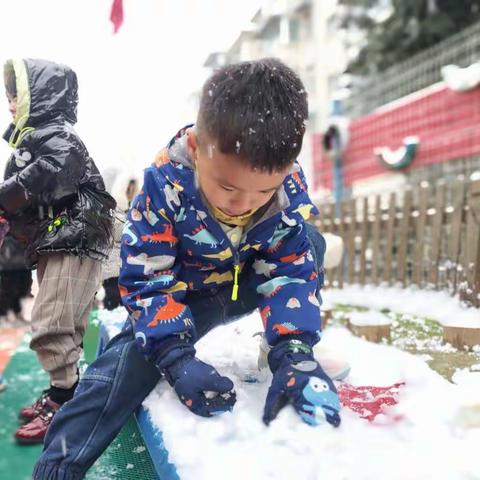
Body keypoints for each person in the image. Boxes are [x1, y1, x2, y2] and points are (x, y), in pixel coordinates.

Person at [34, 58, 341, 479]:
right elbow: (148, 280)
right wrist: (175, 358)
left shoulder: (286, 194)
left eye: (263, 190)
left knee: (310, 242)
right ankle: (56, 469)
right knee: (117, 371)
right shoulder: (163, 188)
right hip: (187, 295)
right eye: (228, 187)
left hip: (248, 281)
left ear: (287, 170)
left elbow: (288, 273)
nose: (244, 204)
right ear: (197, 150)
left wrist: (296, 352)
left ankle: (279, 353)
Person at [0, 58, 115, 444]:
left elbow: (55, 171)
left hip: (75, 236)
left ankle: (64, 402)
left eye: (17, 95)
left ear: (41, 94)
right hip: (59, 238)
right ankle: (61, 391)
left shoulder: (56, 135)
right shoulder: (35, 137)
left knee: (52, 321)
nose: (11, 104)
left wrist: (9, 194)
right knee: (64, 318)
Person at [101, 172, 140, 310]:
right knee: (113, 299)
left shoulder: (135, 210)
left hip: (128, 265)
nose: (129, 192)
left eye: (132, 189)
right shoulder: (114, 209)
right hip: (113, 265)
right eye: (127, 188)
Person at [0, 234, 32, 322]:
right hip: (8, 262)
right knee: (8, 289)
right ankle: (3, 314)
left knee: (23, 288)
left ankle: (17, 312)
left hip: (24, 260)